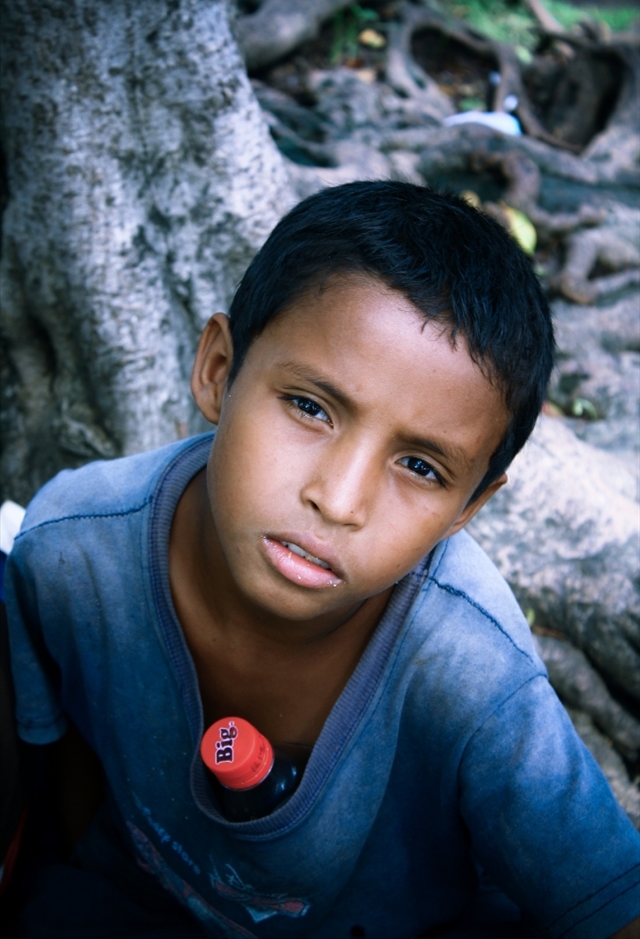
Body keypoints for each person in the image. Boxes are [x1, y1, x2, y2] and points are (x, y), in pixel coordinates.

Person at [5, 182, 639, 939]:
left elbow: (608, 906)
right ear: (217, 370)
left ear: (469, 508)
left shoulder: (471, 671)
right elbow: (62, 761)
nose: (339, 500)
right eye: (310, 407)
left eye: (422, 467)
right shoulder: (73, 548)